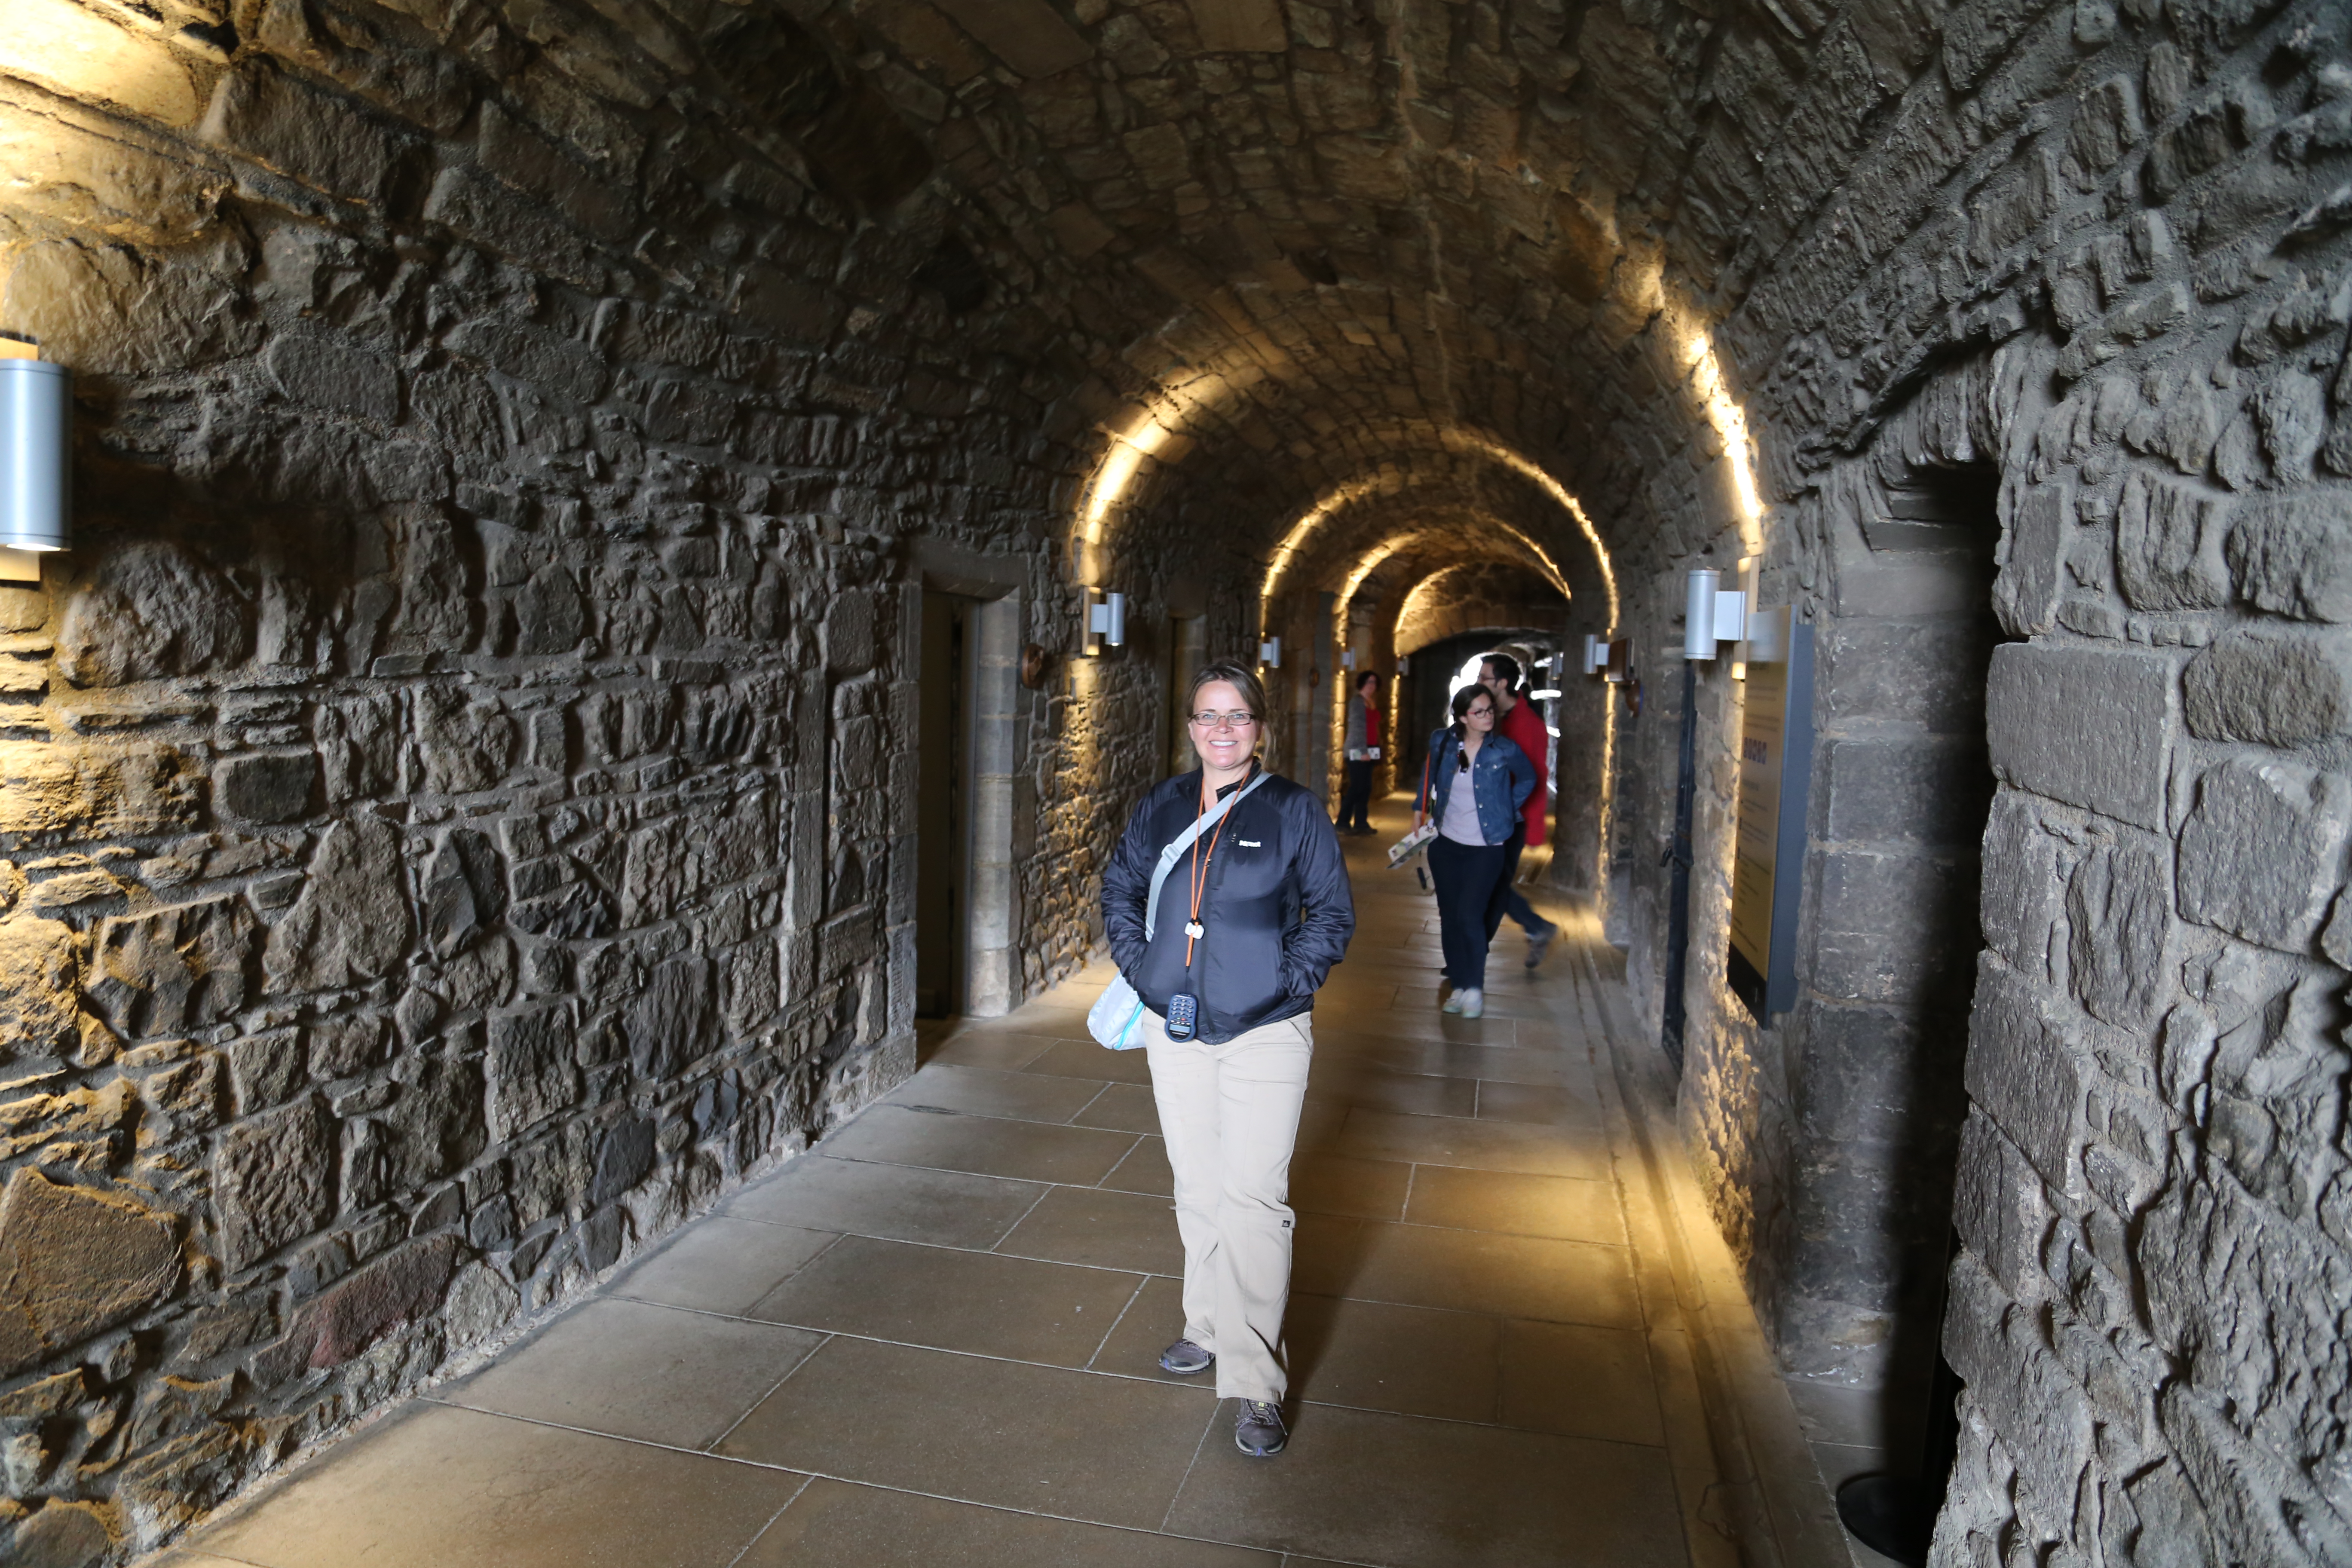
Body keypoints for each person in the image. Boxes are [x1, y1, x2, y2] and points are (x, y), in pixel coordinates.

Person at [1101, 658, 1356, 1459]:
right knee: (1198, 1186)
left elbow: (1331, 912)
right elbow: (1122, 882)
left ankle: (1254, 1381)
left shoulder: (1292, 809)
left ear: (1258, 726)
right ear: (1189, 726)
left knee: (1254, 1199)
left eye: (1237, 715)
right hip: (1170, 1024)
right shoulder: (1163, 804)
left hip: (1265, 1029)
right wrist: (1143, 967)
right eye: (1208, 715)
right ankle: (1206, 1326)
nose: (1221, 728)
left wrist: (1283, 979)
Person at [1415, 682, 1534, 1019]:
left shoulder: (1504, 749)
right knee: (1450, 919)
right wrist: (1418, 809)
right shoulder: (1444, 742)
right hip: (1446, 844)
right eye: (1479, 712)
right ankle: (1459, 986)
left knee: (1470, 916)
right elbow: (1429, 775)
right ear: (1463, 717)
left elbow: (1527, 779)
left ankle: (1475, 988)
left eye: (1490, 710)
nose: (1488, 717)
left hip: (1487, 846)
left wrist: (1506, 811)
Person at [1480, 652, 1561, 968]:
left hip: (1510, 822)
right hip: (1490, 818)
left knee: (1493, 886)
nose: (1478, 683)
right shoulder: (1494, 718)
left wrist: (1526, 823)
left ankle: (1535, 927)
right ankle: (1534, 928)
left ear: (1501, 683)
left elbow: (1533, 778)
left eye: (1484, 678)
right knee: (1490, 885)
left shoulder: (1527, 725)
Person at [1336, 670, 1382, 835]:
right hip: (1356, 750)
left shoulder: (1371, 702)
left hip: (1370, 750)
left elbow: (1374, 728)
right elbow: (1357, 728)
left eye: (1374, 683)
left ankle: (1361, 822)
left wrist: (1376, 749)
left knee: (1366, 788)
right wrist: (1362, 751)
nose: (1372, 686)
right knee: (1357, 787)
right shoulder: (1357, 702)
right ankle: (1342, 822)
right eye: (1369, 682)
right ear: (1362, 683)